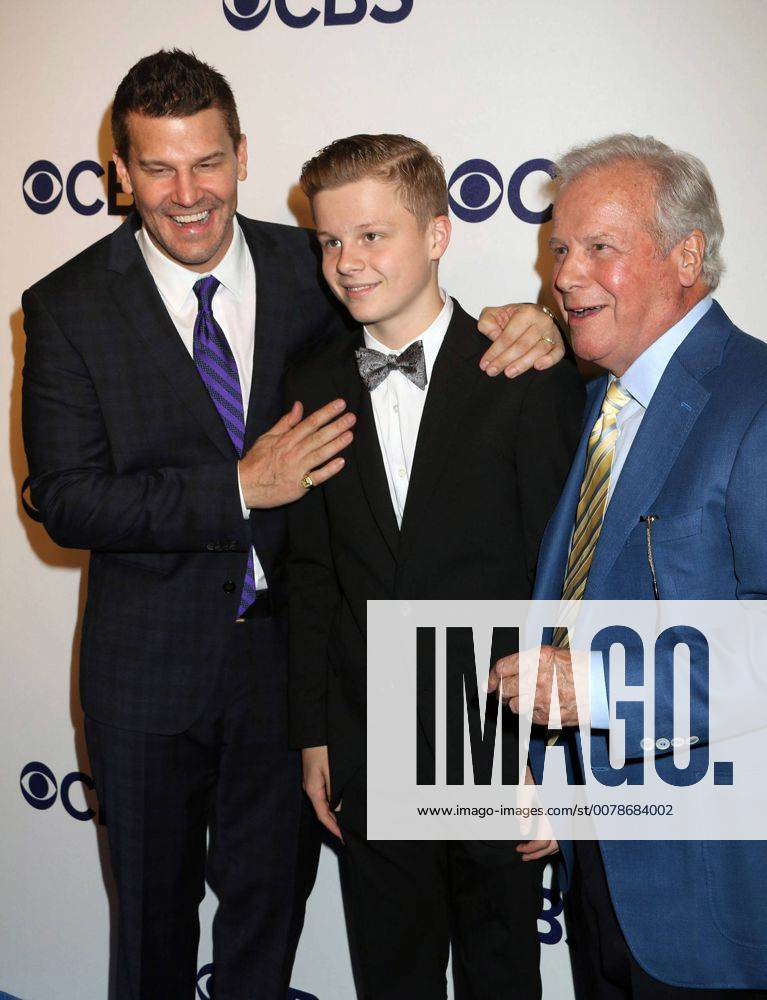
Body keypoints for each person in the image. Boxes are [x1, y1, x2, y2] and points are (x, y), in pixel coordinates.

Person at [20, 51, 564, 1000]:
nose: (187, 194)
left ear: (239, 156)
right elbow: (63, 499)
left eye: (207, 164)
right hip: (144, 673)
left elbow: (414, 316)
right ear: (119, 174)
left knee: (269, 930)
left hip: (293, 678)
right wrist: (234, 488)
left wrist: (541, 321)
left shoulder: (311, 264)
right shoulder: (63, 307)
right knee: (149, 935)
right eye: (157, 168)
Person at [286, 134, 585, 1000]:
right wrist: (314, 732)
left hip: (494, 738)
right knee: (391, 977)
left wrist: (556, 759)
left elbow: (562, 570)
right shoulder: (310, 382)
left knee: (501, 976)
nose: (347, 263)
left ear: (438, 234)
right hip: (368, 736)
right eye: (330, 241)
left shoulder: (523, 374)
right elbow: (311, 574)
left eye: (372, 236)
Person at [490, 134, 767, 997]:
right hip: (598, 869)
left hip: (713, 892)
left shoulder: (753, 401)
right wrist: (551, 771)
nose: (565, 275)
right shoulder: (600, 400)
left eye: (597, 248)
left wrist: (597, 693)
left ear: (686, 255)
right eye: (559, 249)